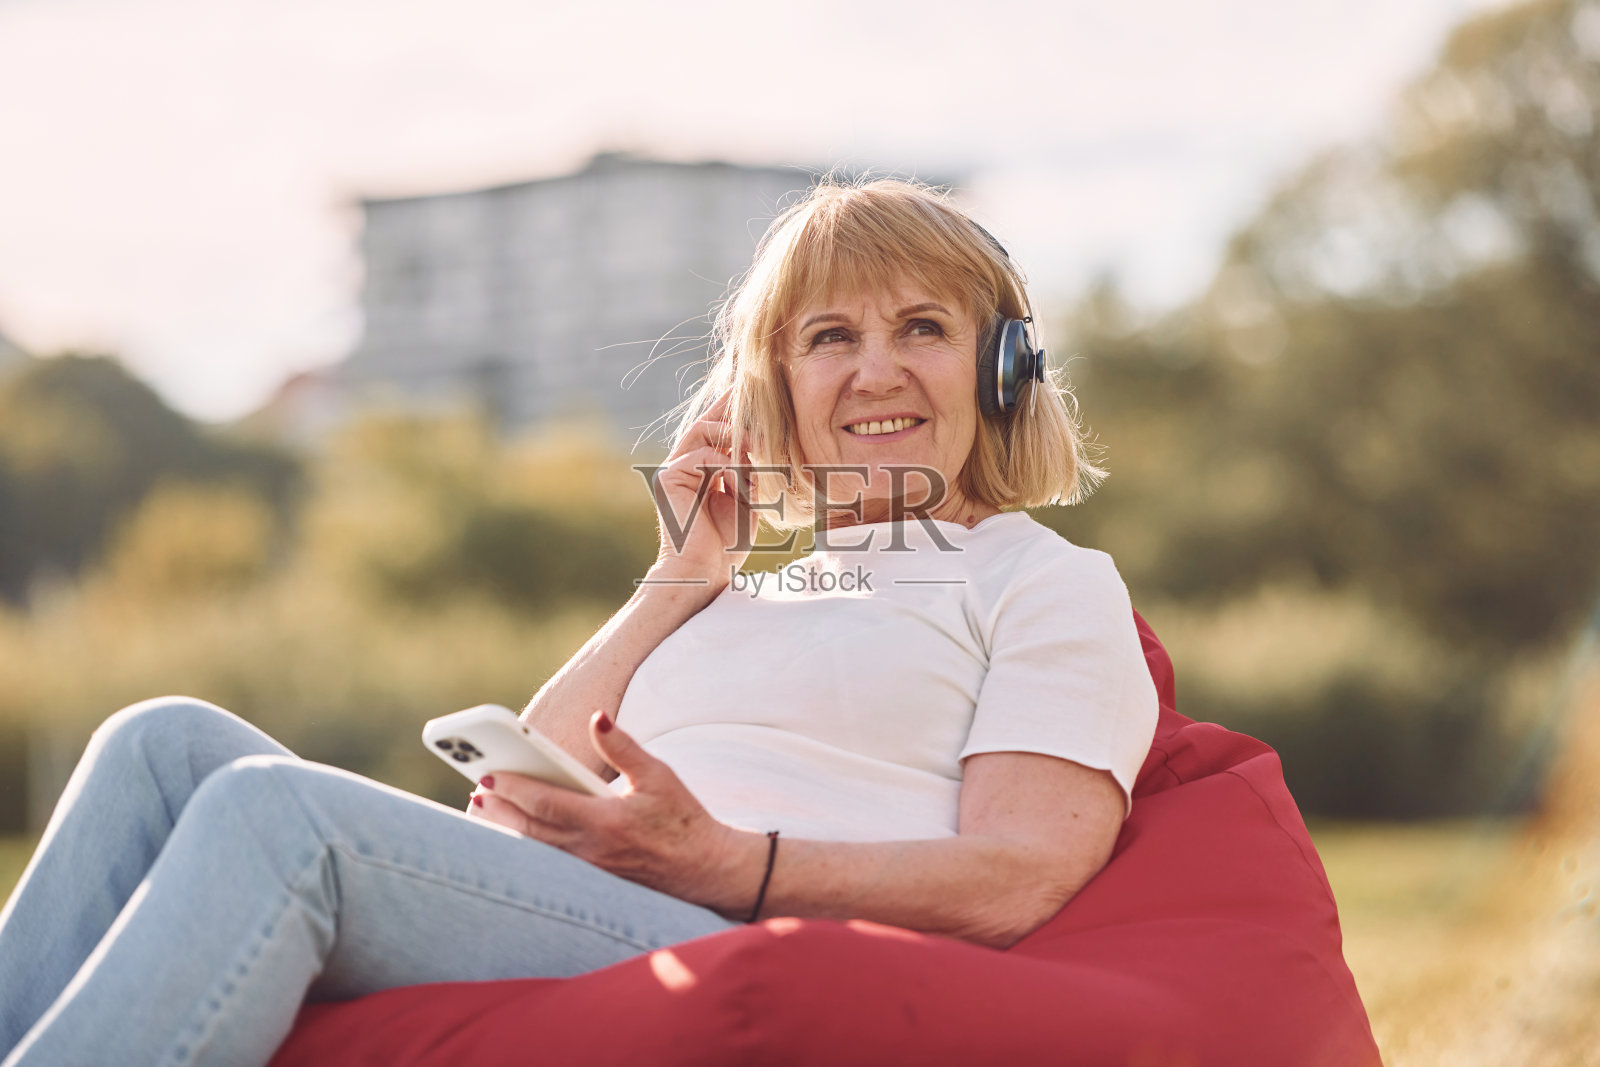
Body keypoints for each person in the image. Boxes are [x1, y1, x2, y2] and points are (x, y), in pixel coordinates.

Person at [0, 177, 1159, 1067]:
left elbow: (1018, 875)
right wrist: (677, 576)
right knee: (161, 741)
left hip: (746, 938)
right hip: (611, 899)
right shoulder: (747, 585)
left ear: (1003, 369)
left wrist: (731, 861)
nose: (872, 372)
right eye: (827, 338)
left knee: (273, 813)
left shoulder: (1041, 579)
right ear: (778, 388)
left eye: (921, 328)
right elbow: (510, 797)